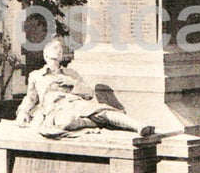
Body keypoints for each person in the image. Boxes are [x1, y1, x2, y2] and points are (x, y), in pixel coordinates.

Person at [16, 39, 155, 139]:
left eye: (58, 58)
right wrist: (23, 112)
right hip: (53, 108)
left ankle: (139, 126)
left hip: (75, 103)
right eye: (53, 59)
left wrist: (72, 83)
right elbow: (30, 98)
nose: (55, 62)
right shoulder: (36, 76)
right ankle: (94, 123)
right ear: (45, 56)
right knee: (65, 122)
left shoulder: (71, 73)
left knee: (103, 112)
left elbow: (89, 93)